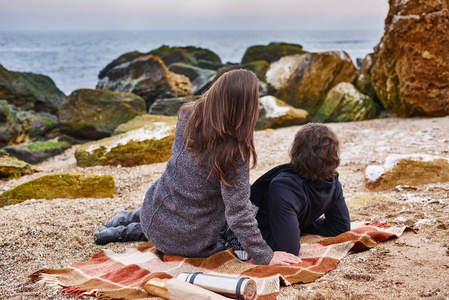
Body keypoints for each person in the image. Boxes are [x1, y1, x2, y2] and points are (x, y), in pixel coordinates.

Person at [95, 69, 300, 266]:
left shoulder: (188, 114)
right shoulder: (234, 152)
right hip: (190, 242)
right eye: (254, 99)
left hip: (154, 212)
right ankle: (124, 227)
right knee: (247, 208)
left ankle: (124, 222)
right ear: (243, 108)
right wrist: (265, 256)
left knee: (186, 191)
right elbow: (238, 214)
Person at [249, 123, 351, 255]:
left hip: (273, 218)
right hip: (245, 218)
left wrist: (294, 225)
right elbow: (288, 248)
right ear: (333, 153)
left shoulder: (330, 180)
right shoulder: (330, 182)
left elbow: (339, 228)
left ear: (296, 151)